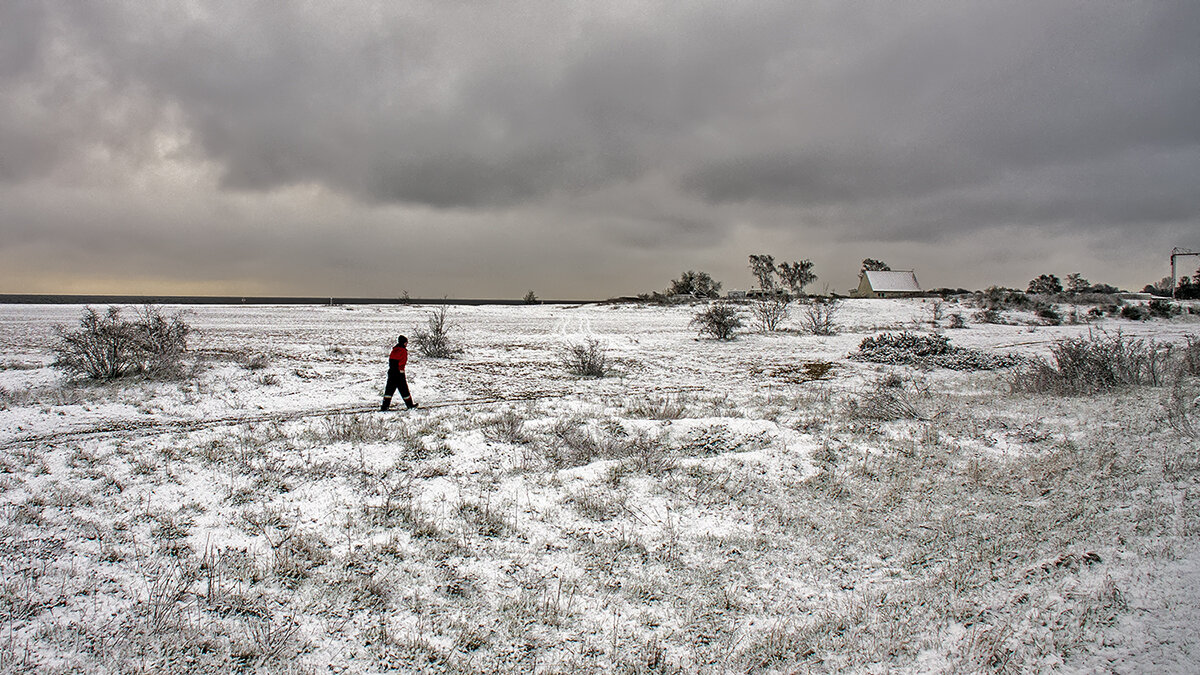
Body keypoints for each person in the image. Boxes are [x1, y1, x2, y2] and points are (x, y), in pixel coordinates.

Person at [381, 335, 418, 411]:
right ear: (404, 343)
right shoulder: (403, 351)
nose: (406, 344)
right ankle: (410, 405)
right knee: (404, 389)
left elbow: (391, 361)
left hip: (391, 372)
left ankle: (385, 406)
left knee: (389, 390)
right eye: (406, 342)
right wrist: (401, 371)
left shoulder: (394, 350)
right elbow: (402, 362)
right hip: (399, 373)